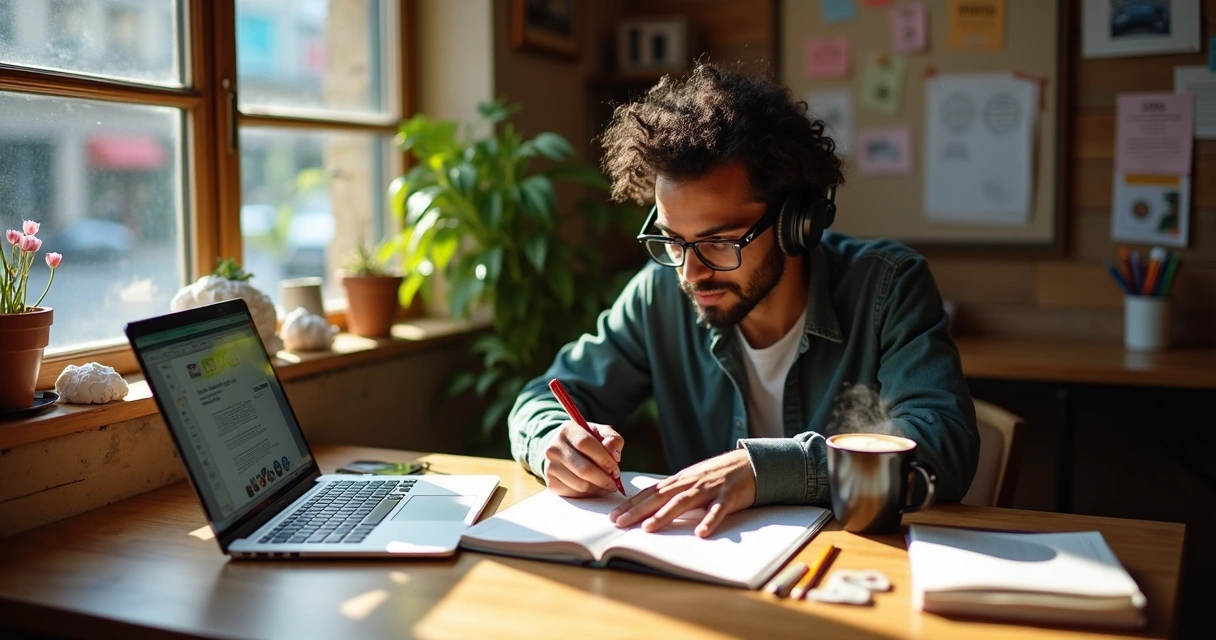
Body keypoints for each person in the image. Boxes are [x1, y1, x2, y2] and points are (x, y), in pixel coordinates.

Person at [508, 62, 979, 538]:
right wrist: (555, 440)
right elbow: (539, 398)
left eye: (720, 242)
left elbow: (943, 443)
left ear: (796, 223)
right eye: (674, 241)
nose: (691, 272)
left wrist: (762, 469)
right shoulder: (658, 294)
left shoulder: (887, 287)